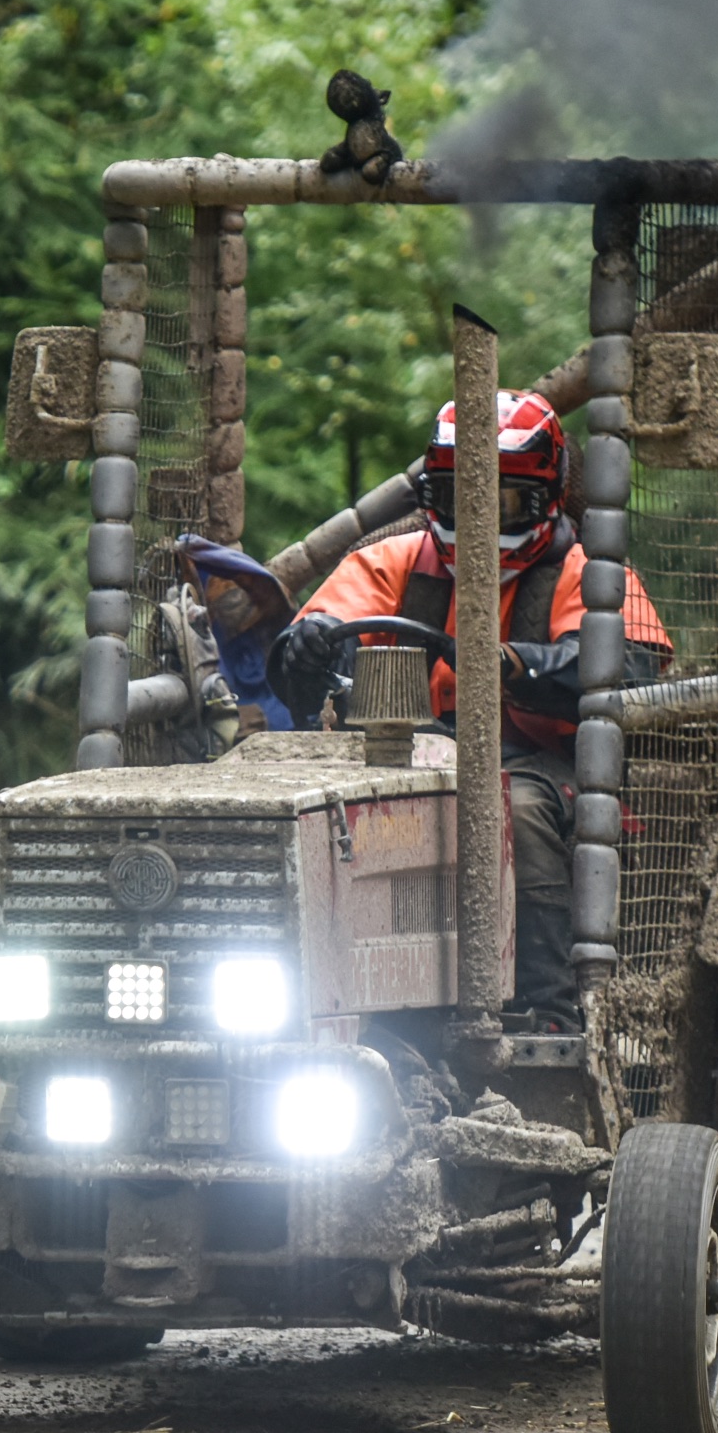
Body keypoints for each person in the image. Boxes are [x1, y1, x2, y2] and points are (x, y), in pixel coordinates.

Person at [265, 391, 671, 1031]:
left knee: (515, 810)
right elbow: (319, 629)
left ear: (543, 499)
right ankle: (331, 1008)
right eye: (460, 499)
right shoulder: (395, 561)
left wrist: (511, 664)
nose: (478, 521)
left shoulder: (587, 573)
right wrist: (307, 646)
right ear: (435, 495)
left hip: (547, 766)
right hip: (407, 761)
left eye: (501, 502)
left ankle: (551, 1012)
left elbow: (627, 668)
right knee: (328, 812)